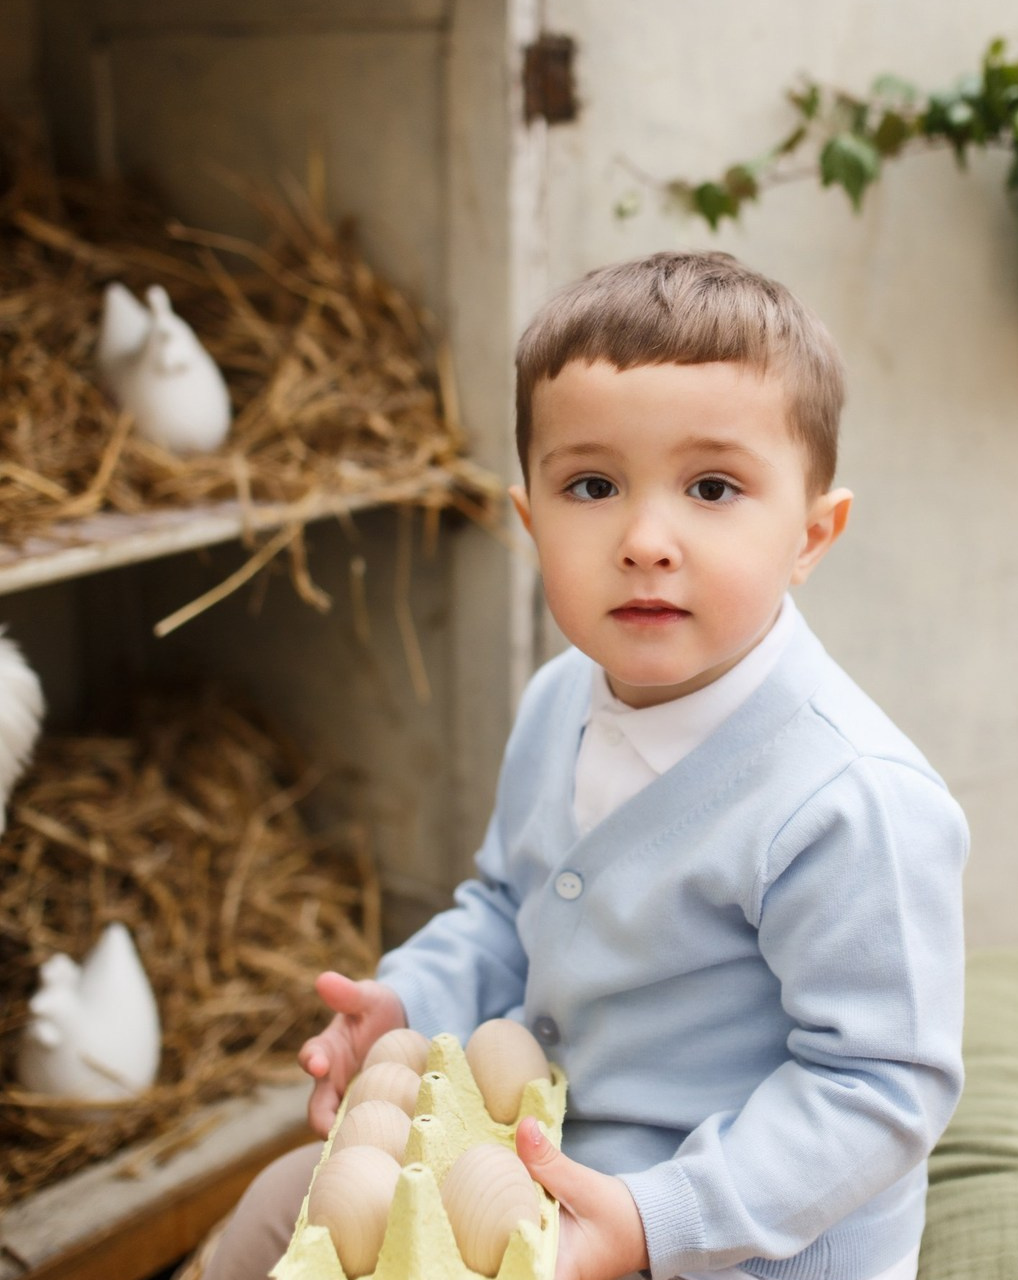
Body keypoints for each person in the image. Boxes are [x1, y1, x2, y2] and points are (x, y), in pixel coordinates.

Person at [204, 250, 969, 1280]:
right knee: (273, 1209)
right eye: (592, 484)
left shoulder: (848, 798)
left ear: (810, 532)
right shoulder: (558, 700)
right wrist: (410, 1000)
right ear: (528, 522)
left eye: (711, 486)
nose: (646, 538)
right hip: (544, 1160)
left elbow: (877, 1084)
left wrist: (656, 1219)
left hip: (731, 1235)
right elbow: (505, 906)